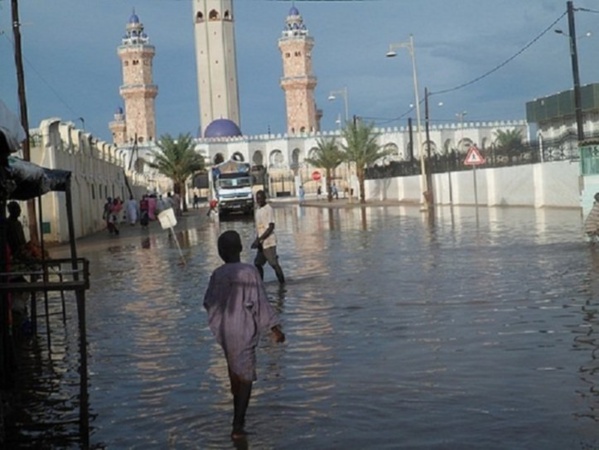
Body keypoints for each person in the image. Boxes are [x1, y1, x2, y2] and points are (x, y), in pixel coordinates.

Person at [203, 230, 285, 439]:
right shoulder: (249, 272)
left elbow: (208, 302)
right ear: (240, 248)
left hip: (224, 330)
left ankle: (236, 415)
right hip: (244, 330)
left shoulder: (217, 274)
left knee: (235, 372)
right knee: (246, 377)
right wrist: (274, 328)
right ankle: (238, 426)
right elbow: (261, 303)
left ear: (220, 252)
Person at [251, 190, 285, 284]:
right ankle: (260, 283)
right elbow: (259, 227)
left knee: (273, 264)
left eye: (260, 198)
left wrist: (259, 239)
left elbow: (271, 227)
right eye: (257, 199)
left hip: (269, 241)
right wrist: (257, 240)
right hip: (261, 243)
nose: (259, 200)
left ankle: (282, 283)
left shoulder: (268, 209)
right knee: (257, 263)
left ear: (264, 198)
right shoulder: (258, 210)